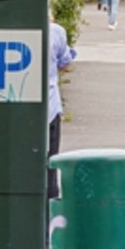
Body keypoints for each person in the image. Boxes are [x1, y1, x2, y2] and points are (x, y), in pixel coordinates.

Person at [46, 13, 77, 200]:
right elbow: (65, 62)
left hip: (14, 108)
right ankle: (49, 212)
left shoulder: (6, 32)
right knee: (50, 163)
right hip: (49, 106)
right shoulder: (55, 32)